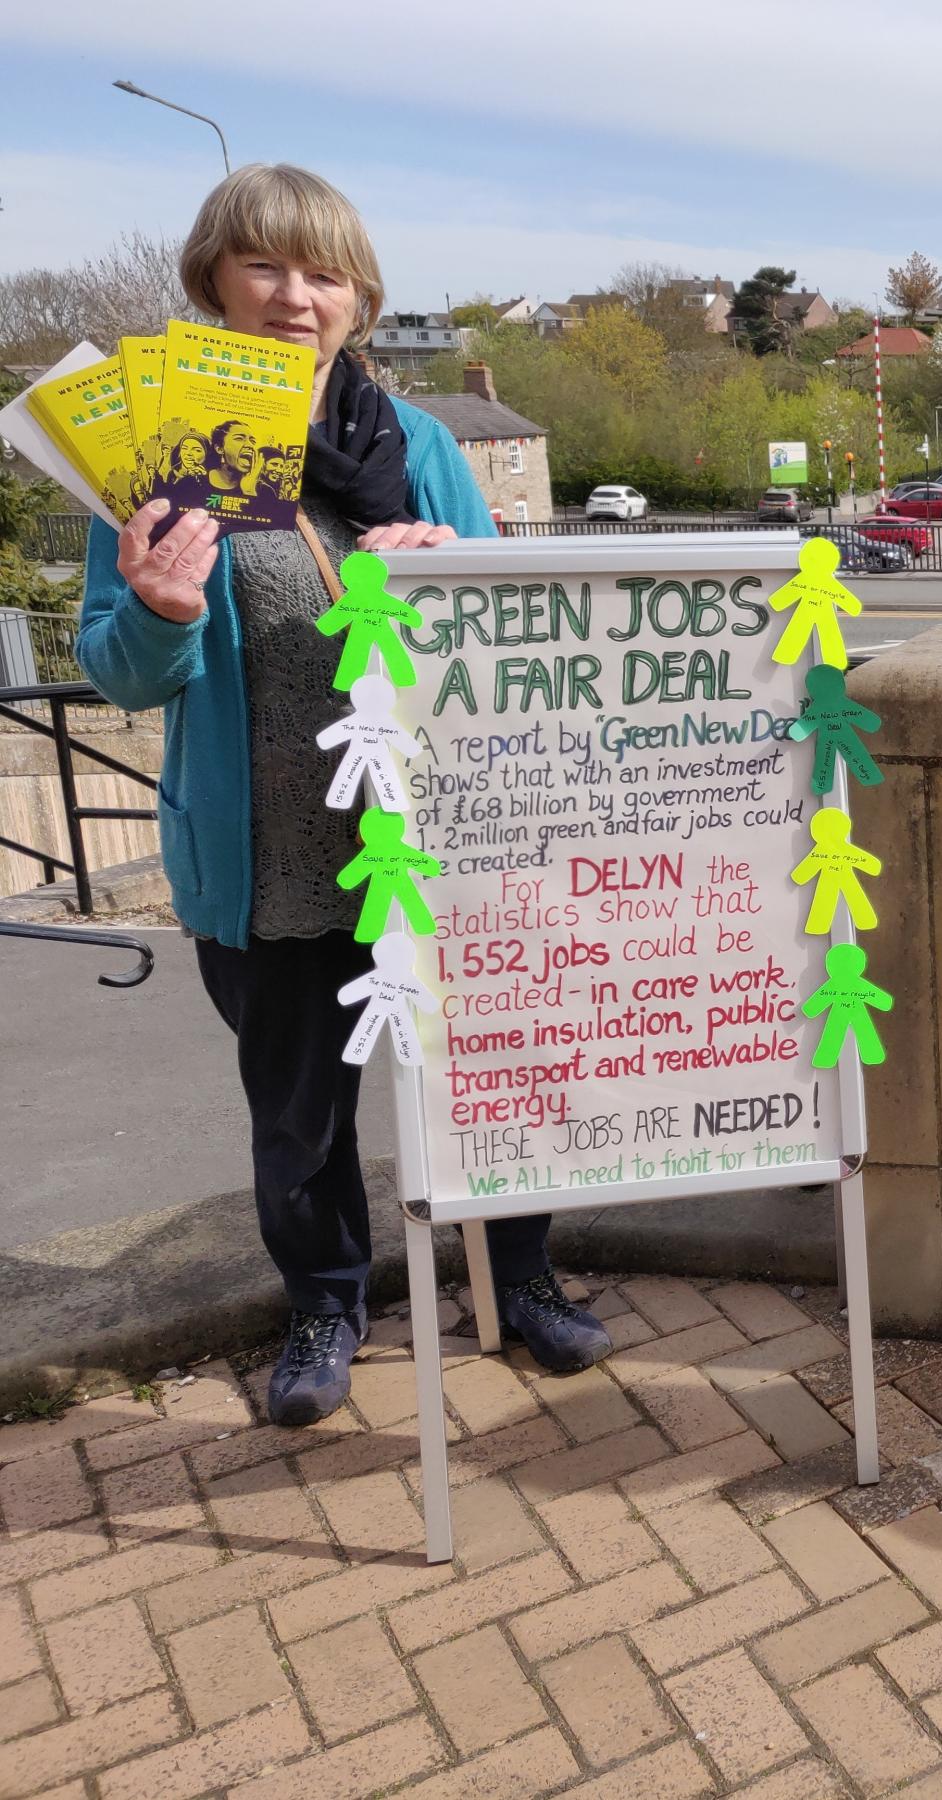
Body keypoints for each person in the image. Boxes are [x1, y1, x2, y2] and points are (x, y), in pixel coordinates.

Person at [78, 164, 613, 1427]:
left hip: (435, 844)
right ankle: (326, 1301)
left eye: (323, 273)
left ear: (359, 298)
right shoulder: (158, 448)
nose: (294, 295)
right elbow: (116, 664)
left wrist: (454, 576)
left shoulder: (418, 444)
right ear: (213, 276)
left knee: (483, 1076)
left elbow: (513, 649)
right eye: (265, 264)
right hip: (268, 856)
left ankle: (516, 1276)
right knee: (300, 1115)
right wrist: (158, 609)